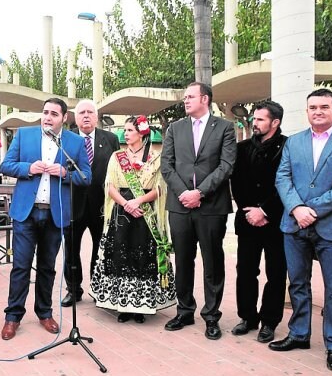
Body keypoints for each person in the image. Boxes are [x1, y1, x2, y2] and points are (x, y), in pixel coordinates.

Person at [0, 98, 91, 340]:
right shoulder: (24, 135)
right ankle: (12, 317)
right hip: (26, 213)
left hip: (55, 214)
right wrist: (29, 168)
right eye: (45, 112)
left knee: (47, 267)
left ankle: (44, 313)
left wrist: (65, 173)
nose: (47, 117)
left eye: (53, 114)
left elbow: (86, 176)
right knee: (20, 266)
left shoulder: (74, 142)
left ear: (64, 118)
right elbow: (6, 166)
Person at [271, 88, 332, 373]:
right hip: (294, 224)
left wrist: (312, 209)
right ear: (307, 111)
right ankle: (299, 333)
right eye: (313, 107)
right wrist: (296, 208)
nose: (318, 112)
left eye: (324, 107)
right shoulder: (295, 142)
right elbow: (283, 177)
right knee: (298, 283)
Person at [160, 82, 237, 340]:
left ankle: (212, 316)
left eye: (190, 97)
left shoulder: (225, 127)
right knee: (182, 260)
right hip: (179, 206)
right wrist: (184, 193)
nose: (186, 101)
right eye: (185, 97)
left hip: (211, 207)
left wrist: (200, 193)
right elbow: (167, 165)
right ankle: (184, 311)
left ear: (205, 99)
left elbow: (226, 165)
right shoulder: (174, 128)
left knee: (212, 262)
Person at [90, 116, 176, 322]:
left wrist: (138, 202)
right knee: (121, 255)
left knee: (143, 257)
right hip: (122, 212)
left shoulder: (156, 157)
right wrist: (126, 203)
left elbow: (159, 188)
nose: (125, 134)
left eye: (129, 130)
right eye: (125, 130)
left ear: (142, 134)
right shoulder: (117, 156)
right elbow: (109, 185)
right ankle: (123, 306)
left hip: (146, 212)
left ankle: (142, 306)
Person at [230, 101, 287, 343]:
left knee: (275, 273)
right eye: (255, 118)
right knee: (245, 271)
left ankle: (269, 322)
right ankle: (248, 317)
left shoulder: (288, 146)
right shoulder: (241, 148)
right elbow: (237, 183)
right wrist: (249, 211)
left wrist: (265, 211)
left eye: (261, 119)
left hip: (276, 222)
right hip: (247, 220)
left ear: (275, 122)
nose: (255, 123)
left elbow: (286, 184)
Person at [62, 99, 120, 307]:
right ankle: (73, 289)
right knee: (71, 250)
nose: (86, 116)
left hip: (101, 205)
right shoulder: (65, 139)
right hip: (72, 203)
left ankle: (98, 288)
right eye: (81, 113)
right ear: (75, 118)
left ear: (96, 116)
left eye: (90, 112)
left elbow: (117, 172)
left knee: (101, 249)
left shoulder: (111, 139)